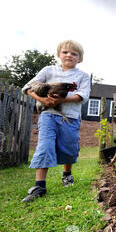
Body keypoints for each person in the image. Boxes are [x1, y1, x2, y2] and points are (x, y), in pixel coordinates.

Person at [21, 40, 91, 202]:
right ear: (59, 54)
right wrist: (43, 100)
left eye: (74, 54)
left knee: (68, 149)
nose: (69, 55)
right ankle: (39, 185)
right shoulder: (48, 70)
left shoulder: (82, 76)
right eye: (65, 52)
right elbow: (28, 87)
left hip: (70, 117)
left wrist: (62, 101)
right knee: (44, 146)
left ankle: (67, 174)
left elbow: (83, 96)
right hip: (48, 114)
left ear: (79, 58)